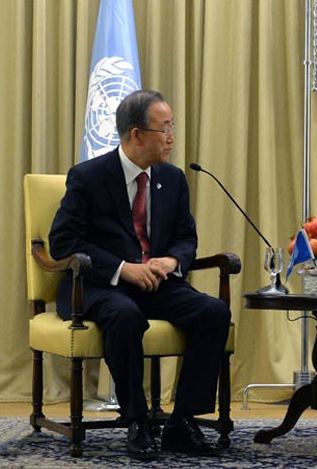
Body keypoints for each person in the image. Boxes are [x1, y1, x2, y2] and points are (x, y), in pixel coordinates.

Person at [49, 90, 231, 460]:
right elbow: (62, 242)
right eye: (163, 128)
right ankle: (137, 421)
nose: (171, 137)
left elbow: (186, 237)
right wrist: (121, 269)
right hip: (97, 286)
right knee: (125, 315)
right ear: (136, 134)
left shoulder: (173, 179)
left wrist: (172, 261)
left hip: (156, 282)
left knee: (213, 313)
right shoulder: (88, 176)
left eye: (172, 127)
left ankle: (182, 422)